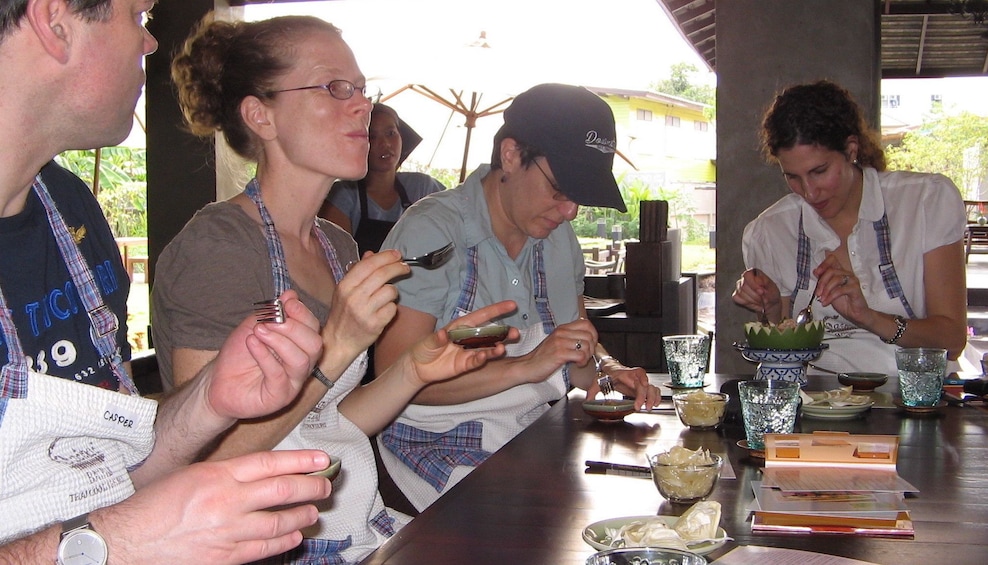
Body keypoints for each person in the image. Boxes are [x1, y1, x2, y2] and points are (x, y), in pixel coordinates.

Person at [152, 14, 516, 564]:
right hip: (267, 546)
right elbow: (205, 456)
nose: (362, 106)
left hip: (350, 528)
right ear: (261, 115)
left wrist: (416, 368)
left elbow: (330, 425)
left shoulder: (334, 244)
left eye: (362, 91)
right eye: (334, 88)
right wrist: (341, 341)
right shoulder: (219, 248)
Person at [0, 1, 335, 563]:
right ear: (55, 22)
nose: (151, 44)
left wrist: (208, 402)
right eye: (137, 15)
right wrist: (111, 543)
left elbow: (103, 467)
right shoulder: (216, 242)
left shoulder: (69, 209)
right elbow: (110, 528)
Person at [373, 83, 663, 511]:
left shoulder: (559, 242)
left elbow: (572, 355)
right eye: (561, 190)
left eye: (579, 197)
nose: (571, 212)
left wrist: (607, 371)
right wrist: (527, 366)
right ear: (510, 155)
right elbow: (395, 384)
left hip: (529, 437)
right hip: (432, 447)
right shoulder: (432, 232)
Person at [732, 79, 967, 375]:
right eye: (792, 177)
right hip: (815, 399)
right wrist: (768, 308)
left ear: (851, 149)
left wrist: (868, 317)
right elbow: (782, 345)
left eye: (820, 171)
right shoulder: (772, 229)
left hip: (915, 395)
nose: (809, 192)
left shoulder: (924, 201)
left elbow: (953, 340)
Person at [320, 102, 445, 256]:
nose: (385, 144)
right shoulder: (344, 194)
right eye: (372, 137)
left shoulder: (422, 187)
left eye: (391, 133)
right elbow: (337, 256)